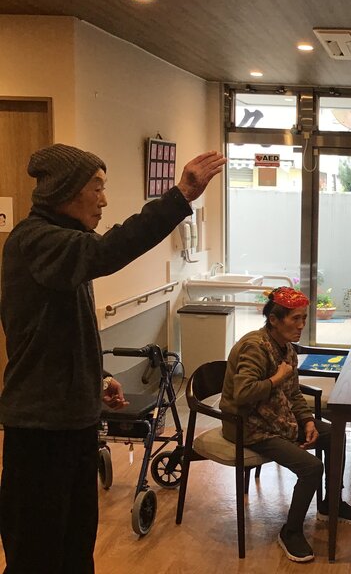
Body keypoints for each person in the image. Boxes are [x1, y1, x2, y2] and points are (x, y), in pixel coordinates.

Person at [0, 143, 225, 574]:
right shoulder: (37, 240)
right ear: (65, 190)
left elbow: (60, 333)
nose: (104, 200)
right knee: (36, 556)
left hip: (73, 422)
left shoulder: (65, 244)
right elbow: (108, 251)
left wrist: (98, 376)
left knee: (75, 548)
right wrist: (179, 197)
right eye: (97, 188)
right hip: (40, 430)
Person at [219, 286, 351, 563]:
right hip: (249, 425)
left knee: (334, 434)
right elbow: (243, 393)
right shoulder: (255, 346)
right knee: (311, 467)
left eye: (304, 318)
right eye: (295, 319)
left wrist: (307, 420)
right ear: (274, 320)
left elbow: (293, 393)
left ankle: (331, 504)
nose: (301, 325)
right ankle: (290, 531)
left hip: (277, 417)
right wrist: (277, 377)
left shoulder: (286, 348)